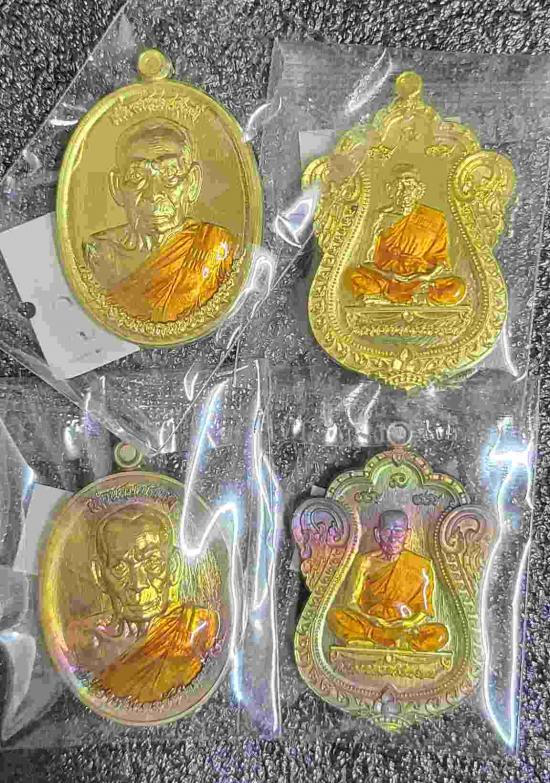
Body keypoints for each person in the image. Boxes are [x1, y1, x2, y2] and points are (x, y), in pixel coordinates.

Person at [84, 118, 239, 322]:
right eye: (137, 176)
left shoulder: (214, 246)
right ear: (117, 187)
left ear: (192, 183)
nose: (153, 194)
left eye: (170, 174)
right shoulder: (99, 254)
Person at [67, 504, 218, 703]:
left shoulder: (200, 625)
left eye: (152, 563)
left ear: (173, 568)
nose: (138, 584)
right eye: (120, 567)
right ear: (100, 575)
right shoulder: (84, 641)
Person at [327, 509, 448, 652]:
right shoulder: (365, 562)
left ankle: (378, 640)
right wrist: (373, 620)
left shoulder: (422, 565)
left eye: (398, 531)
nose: (392, 538)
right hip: (371, 623)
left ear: (407, 535)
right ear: (378, 534)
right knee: (334, 616)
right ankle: (392, 641)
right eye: (387, 531)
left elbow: (424, 611)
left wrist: (406, 623)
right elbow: (352, 602)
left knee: (440, 633)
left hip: (405, 626)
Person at [349, 164, 465, 306]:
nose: (405, 191)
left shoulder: (435, 218)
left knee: (456, 287)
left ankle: (387, 299)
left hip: (420, 277)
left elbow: (441, 260)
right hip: (386, 276)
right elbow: (365, 259)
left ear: (419, 190)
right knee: (354, 277)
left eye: (410, 186)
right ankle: (413, 298)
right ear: (389, 189)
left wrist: (427, 276)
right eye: (399, 186)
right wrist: (389, 275)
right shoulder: (379, 218)